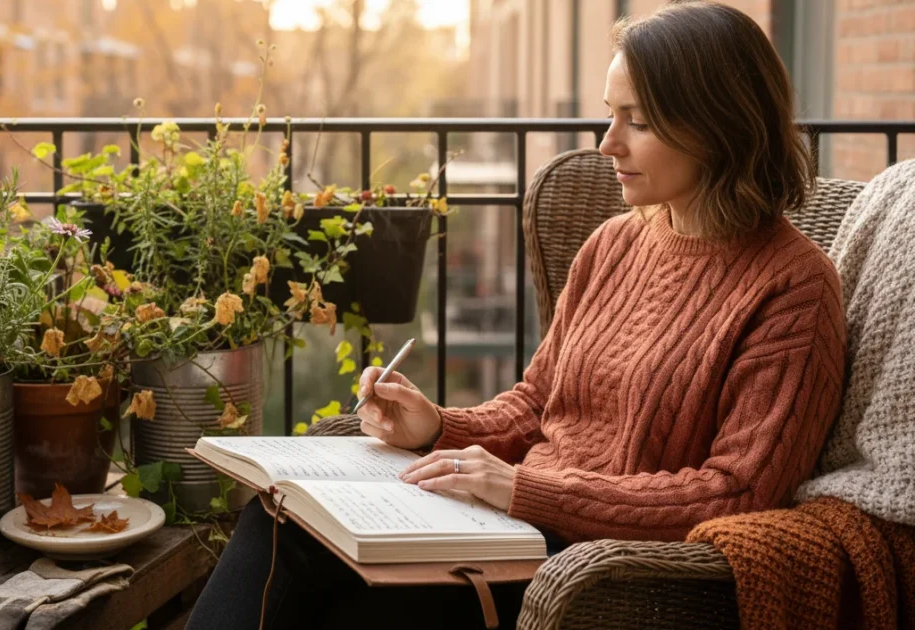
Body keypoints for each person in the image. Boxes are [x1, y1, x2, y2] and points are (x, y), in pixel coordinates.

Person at [187, 2, 847, 628]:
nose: (607, 143)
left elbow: (736, 495)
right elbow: (538, 406)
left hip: (592, 563)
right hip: (511, 521)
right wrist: (435, 427)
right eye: (609, 115)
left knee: (351, 602)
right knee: (278, 523)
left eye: (637, 121)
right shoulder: (613, 245)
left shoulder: (792, 288)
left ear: (718, 125)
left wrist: (524, 494)